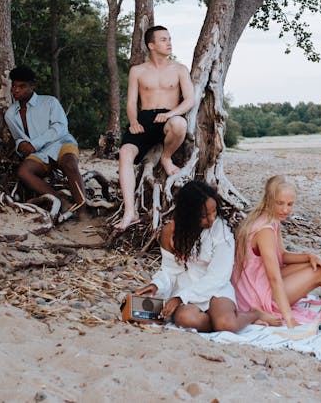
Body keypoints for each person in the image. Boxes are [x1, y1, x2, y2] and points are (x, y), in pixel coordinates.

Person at [135, 181, 280, 332]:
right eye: (204, 216)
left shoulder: (222, 233)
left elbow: (218, 277)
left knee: (226, 325)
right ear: (188, 215)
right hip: (187, 290)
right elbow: (170, 270)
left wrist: (180, 298)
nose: (211, 220)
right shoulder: (171, 232)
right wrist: (156, 285)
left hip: (216, 289)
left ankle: (253, 314)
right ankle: (221, 320)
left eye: (214, 212)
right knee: (186, 319)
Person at [232, 175, 321, 328]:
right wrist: (288, 318)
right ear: (269, 199)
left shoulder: (269, 218)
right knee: (320, 273)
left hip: (256, 283)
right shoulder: (265, 230)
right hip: (256, 296)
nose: (285, 209)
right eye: (280, 203)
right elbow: (274, 277)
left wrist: (309, 256)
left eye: (290, 204)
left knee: (316, 266)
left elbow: (281, 256)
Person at [115, 26, 195, 230]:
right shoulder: (138, 71)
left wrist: (170, 114)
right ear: (151, 45)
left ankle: (166, 158)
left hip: (169, 116)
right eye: (163, 40)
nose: (169, 43)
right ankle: (130, 212)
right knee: (125, 153)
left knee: (180, 123)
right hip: (144, 119)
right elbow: (132, 102)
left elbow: (190, 100)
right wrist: (133, 122)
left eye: (169, 38)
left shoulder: (179, 69)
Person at [4, 66, 85, 217]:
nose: (16, 90)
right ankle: (61, 203)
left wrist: (34, 144)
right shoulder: (10, 114)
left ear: (31, 87)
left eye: (21, 87)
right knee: (24, 171)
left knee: (69, 164)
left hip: (62, 144)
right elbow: (18, 136)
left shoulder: (49, 102)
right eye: (14, 86)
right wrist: (20, 144)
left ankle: (83, 209)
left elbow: (60, 127)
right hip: (40, 153)